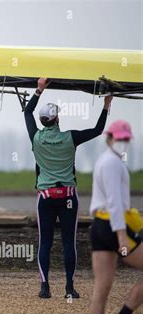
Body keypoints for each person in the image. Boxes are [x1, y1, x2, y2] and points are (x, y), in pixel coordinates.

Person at [23, 78, 112, 299]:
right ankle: (69, 287)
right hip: (68, 197)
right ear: (57, 119)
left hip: (45, 197)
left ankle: (45, 288)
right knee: (67, 242)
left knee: (45, 242)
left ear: (43, 121)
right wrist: (106, 105)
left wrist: (39, 89)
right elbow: (98, 129)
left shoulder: (35, 137)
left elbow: (27, 113)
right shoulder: (70, 137)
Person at [89, 120, 143, 314]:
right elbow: (115, 202)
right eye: (120, 139)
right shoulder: (113, 162)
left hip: (99, 226)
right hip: (114, 226)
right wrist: (121, 236)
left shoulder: (104, 160)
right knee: (101, 287)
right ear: (110, 139)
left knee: (101, 288)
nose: (123, 142)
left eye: (126, 139)